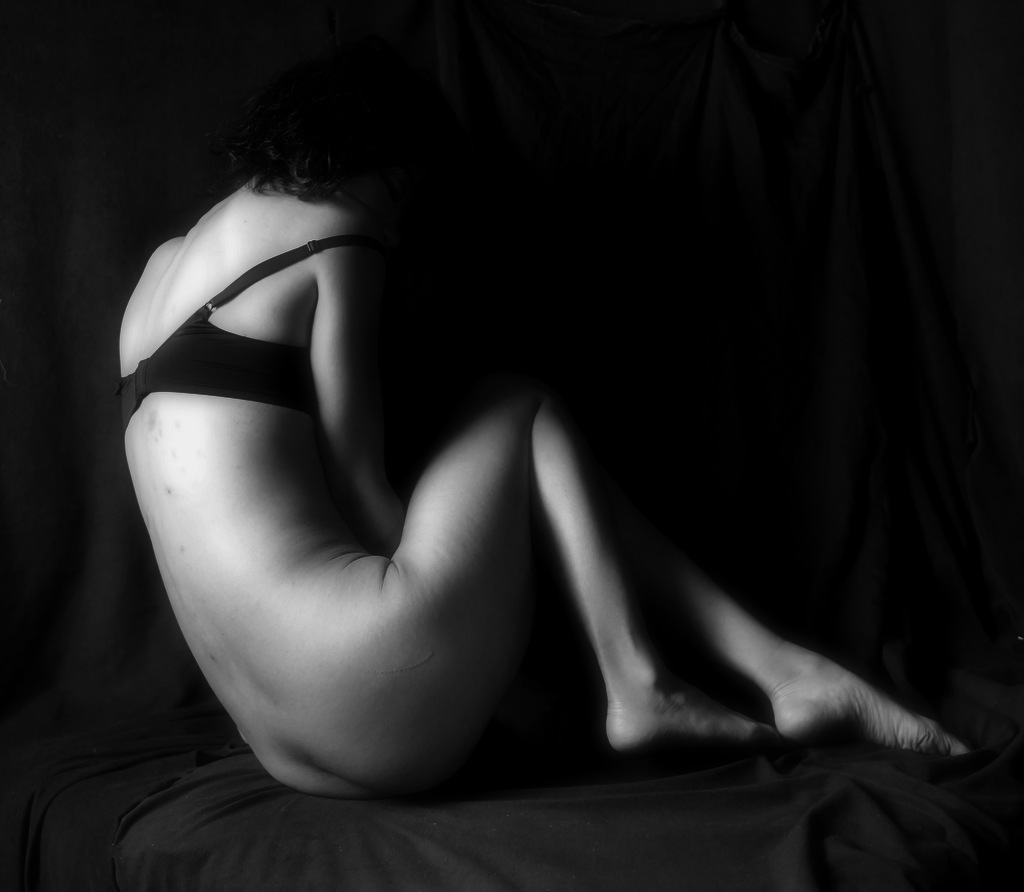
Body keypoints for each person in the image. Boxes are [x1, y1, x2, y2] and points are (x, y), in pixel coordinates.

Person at [118, 38, 968, 799]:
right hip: (371, 694)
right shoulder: (336, 235)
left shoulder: (157, 280)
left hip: (286, 750)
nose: (402, 228)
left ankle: (783, 673)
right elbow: (360, 492)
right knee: (517, 403)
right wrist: (512, 685)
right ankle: (642, 682)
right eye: (408, 198)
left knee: (526, 447)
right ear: (384, 159)